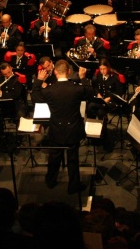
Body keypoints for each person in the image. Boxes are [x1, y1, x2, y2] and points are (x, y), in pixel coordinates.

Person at [31, 59, 93, 194]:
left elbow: (35, 97)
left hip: (56, 128)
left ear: (55, 72)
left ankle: (50, 181)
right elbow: (89, 92)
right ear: (69, 72)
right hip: (73, 128)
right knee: (73, 158)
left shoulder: (49, 90)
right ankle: (73, 185)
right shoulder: (76, 89)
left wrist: (39, 81)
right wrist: (83, 78)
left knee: (54, 156)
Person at [0, 63, 26, 146]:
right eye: (4, 74)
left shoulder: (18, 79)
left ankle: (19, 139)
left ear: (11, 68)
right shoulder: (0, 79)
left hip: (17, 104)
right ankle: (1, 138)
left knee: (20, 116)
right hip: (4, 105)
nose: (7, 75)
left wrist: (2, 93)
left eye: (8, 73)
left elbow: (16, 95)